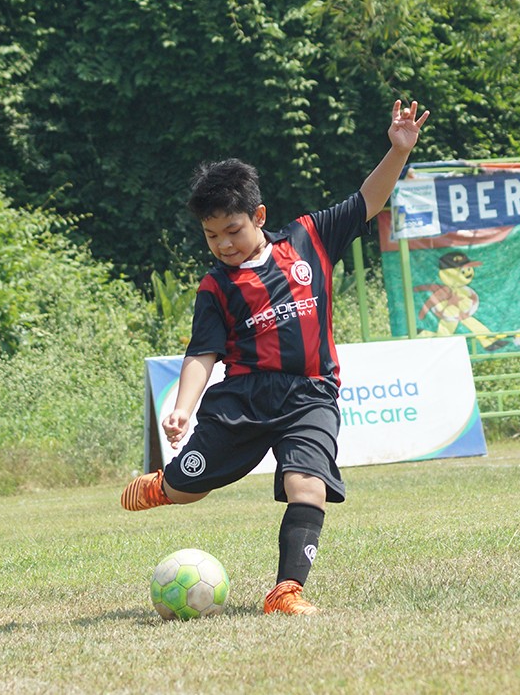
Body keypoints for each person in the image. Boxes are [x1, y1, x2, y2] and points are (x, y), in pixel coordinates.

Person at [119, 100, 430, 616]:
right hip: (243, 398)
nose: (223, 244)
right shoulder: (215, 287)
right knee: (190, 488)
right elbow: (202, 353)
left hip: (311, 393)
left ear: (259, 217)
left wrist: (397, 152)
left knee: (304, 483)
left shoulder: (309, 239)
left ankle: (287, 591)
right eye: (211, 235)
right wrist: (181, 406)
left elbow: (367, 200)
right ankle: (166, 485)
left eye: (233, 231)